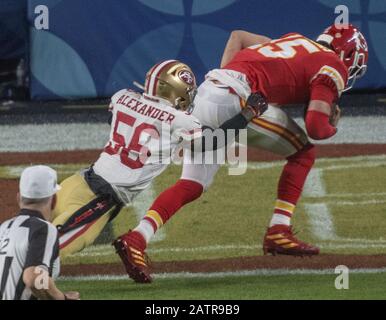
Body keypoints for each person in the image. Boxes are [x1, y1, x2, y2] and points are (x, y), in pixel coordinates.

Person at [117, 24, 369, 283]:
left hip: (208, 91)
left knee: (192, 184)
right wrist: (333, 127)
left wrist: (226, 78)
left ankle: (136, 238)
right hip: (239, 101)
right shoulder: (332, 65)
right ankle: (278, 229)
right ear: (349, 55)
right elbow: (316, 126)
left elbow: (238, 36)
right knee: (303, 152)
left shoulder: (294, 40)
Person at [52, 59, 267, 258]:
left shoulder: (122, 97)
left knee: (31, 224)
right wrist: (248, 113)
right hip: (103, 198)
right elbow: (212, 141)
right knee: (53, 246)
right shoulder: (180, 120)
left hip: (79, 181)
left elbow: (115, 121)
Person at [0, 165, 79, 300]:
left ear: (19, 198)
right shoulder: (43, 228)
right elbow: (34, 278)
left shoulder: (4, 227)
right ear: (54, 201)